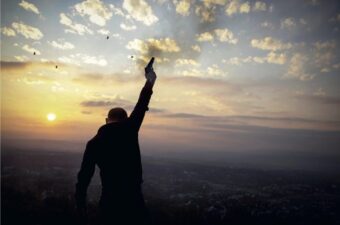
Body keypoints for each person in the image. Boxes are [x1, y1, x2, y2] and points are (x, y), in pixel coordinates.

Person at [75, 58, 157, 225]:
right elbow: (142, 103)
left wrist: (80, 203)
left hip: (109, 202)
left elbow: (84, 177)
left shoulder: (94, 143)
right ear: (125, 119)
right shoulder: (130, 129)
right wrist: (150, 78)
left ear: (107, 120)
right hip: (134, 200)